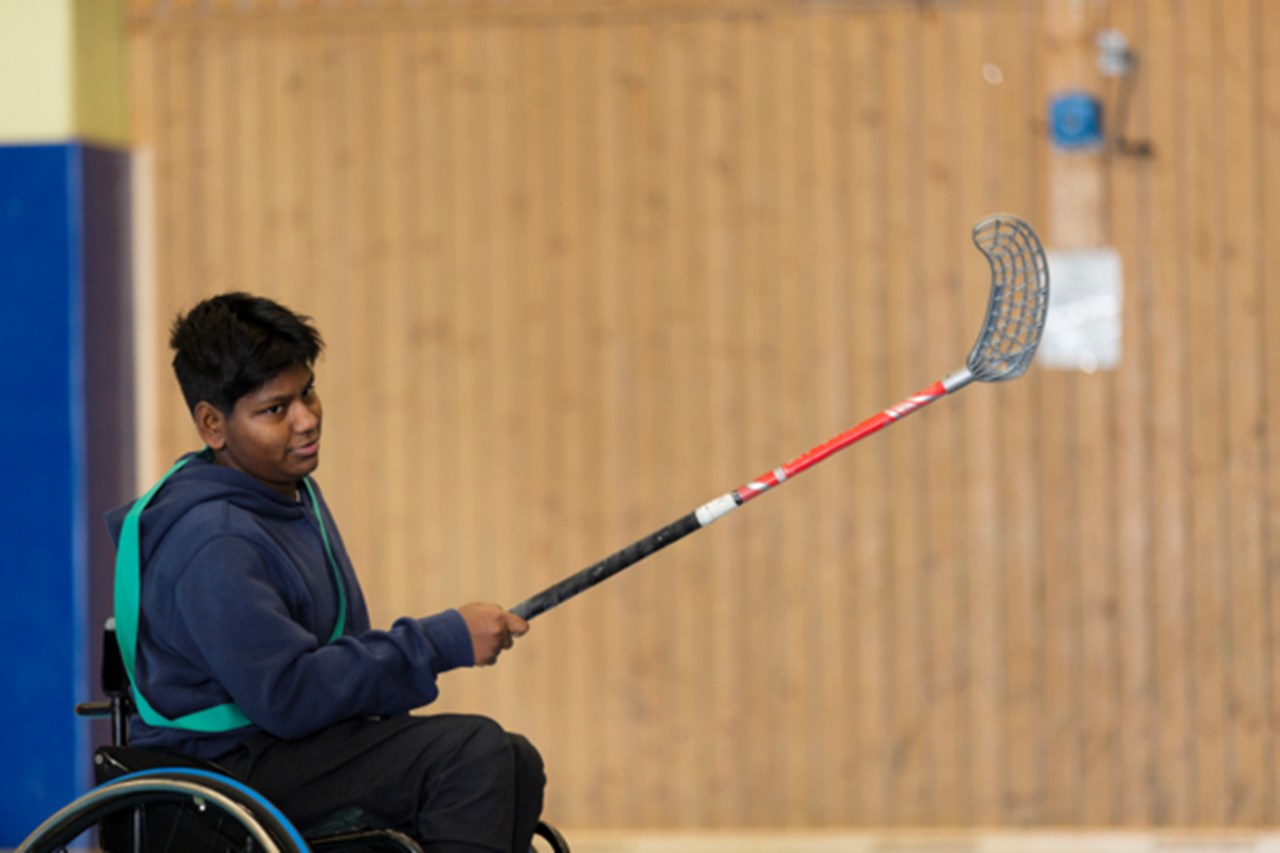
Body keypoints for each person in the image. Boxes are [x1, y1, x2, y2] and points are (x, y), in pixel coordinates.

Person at [105, 292, 544, 852]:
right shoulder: (214, 538)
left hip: (282, 744)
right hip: (223, 775)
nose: (307, 419)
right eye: (275, 409)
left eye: (307, 391)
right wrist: (442, 641)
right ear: (212, 424)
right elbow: (288, 696)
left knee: (514, 760)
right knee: (472, 754)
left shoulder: (288, 494)